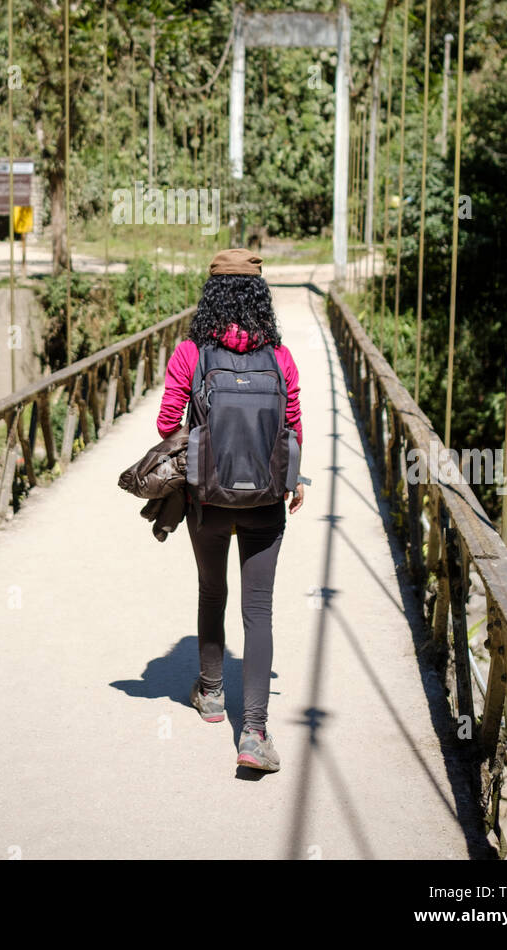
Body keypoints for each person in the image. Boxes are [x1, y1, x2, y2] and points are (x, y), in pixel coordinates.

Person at [156, 247, 303, 773]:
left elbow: (167, 422)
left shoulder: (190, 353)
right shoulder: (279, 358)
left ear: (210, 295)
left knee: (211, 590)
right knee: (258, 611)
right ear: (261, 296)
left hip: (207, 500)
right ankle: (255, 733)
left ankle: (213, 694)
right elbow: (293, 424)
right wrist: (294, 479)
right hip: (266, 499)